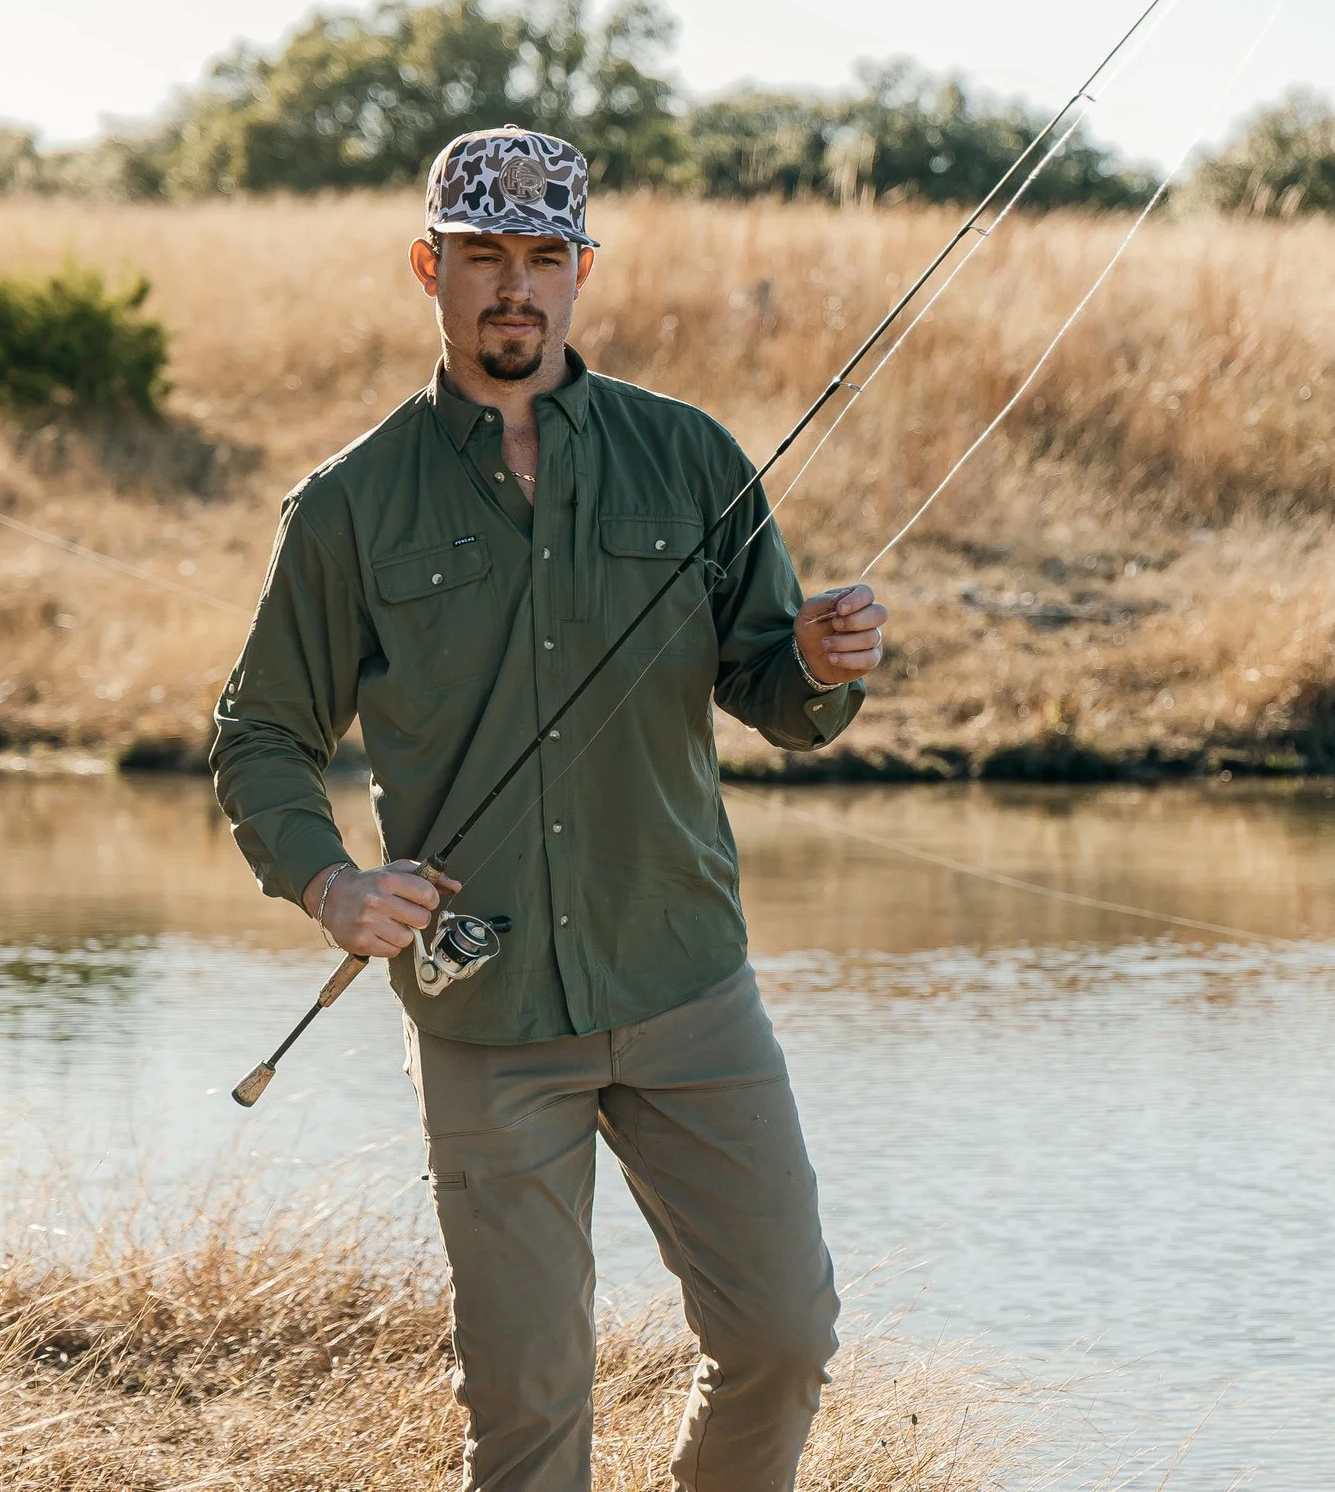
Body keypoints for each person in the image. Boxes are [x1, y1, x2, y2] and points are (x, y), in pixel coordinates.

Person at [210, 124, 889, 1491]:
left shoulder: (691, 458)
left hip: (687, 980)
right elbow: (262, 737)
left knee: (781, 1338)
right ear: (431, 269)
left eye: (541, 257)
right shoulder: (347, 504)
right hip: (486, 1016)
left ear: (580, 273)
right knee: (528, 1404)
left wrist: (817, 666)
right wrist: (332, 886)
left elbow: (774, 684)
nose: (511, 286)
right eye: (481, 258)